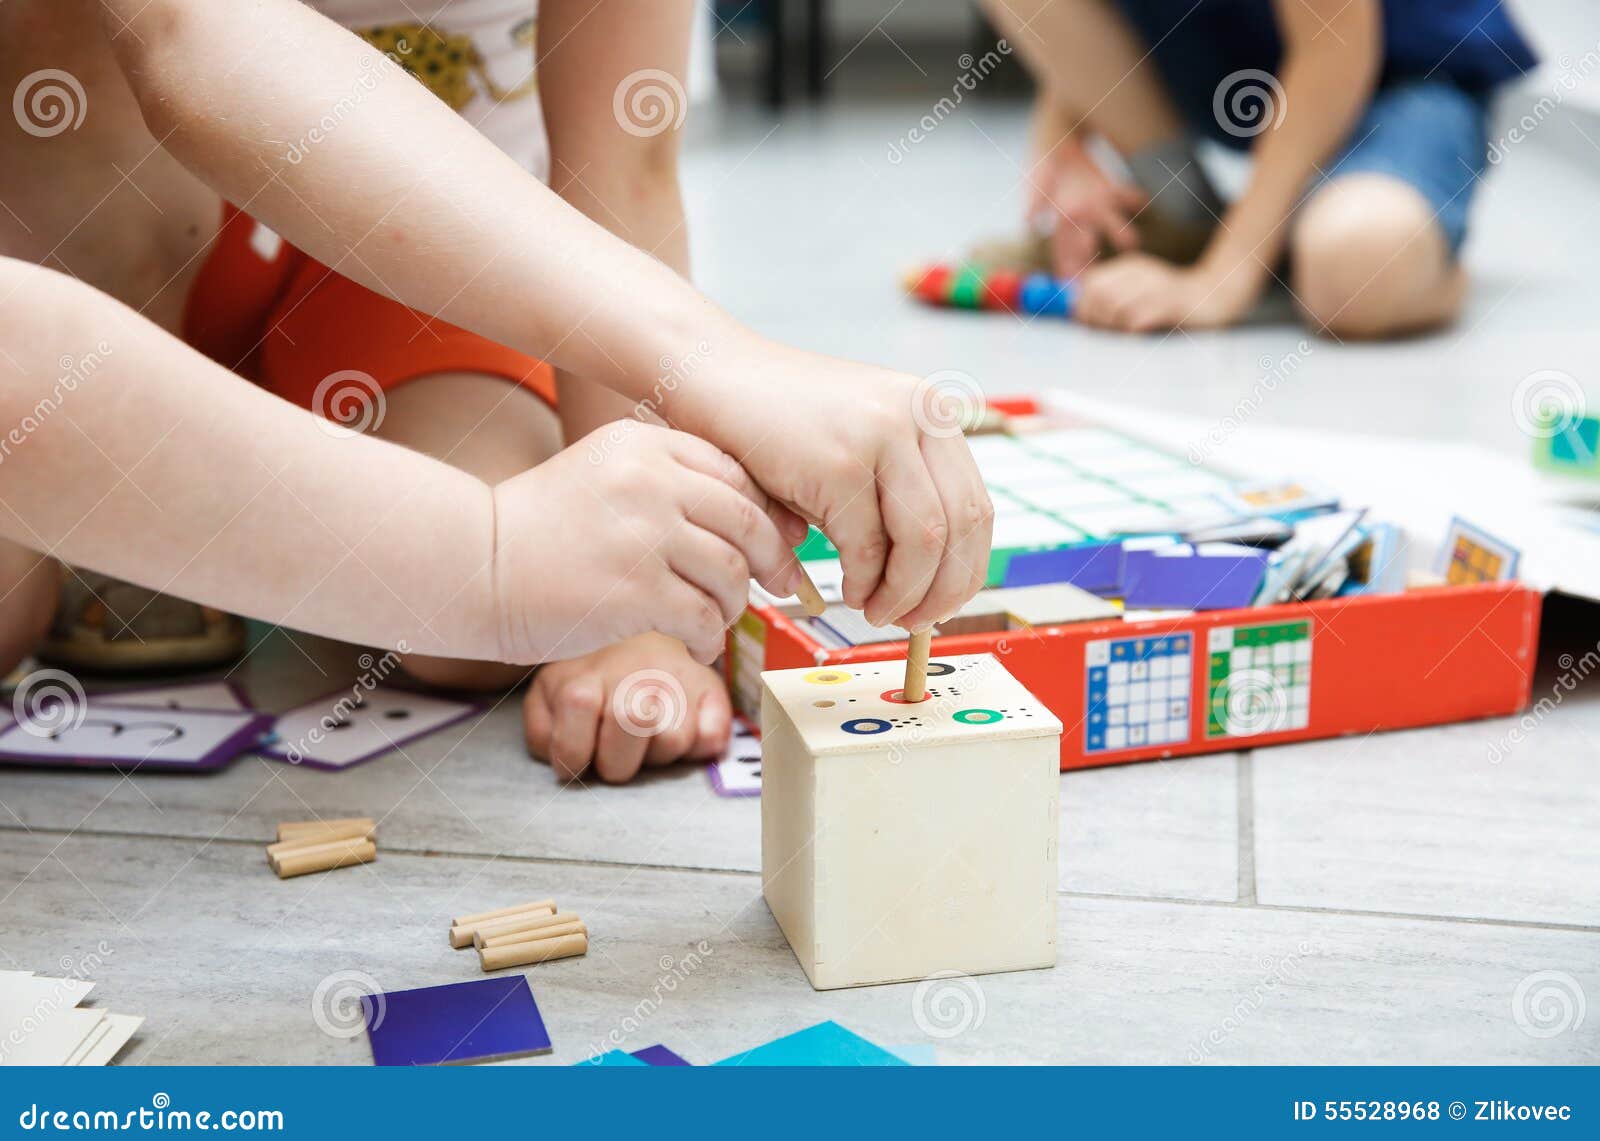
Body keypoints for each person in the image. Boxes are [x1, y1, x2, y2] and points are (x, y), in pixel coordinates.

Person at [0, 0, 993, 780]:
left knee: (484, 625)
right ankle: (130, 486)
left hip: (411, 261)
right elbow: (192, 35)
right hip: (102, 232)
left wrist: (643, 615)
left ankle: (179, 499)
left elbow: (619, 167)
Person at [982, 0, 1537, 336]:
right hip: (1243, 63)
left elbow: (1334, 47)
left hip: (1409, 77)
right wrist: (1061, 139)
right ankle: (1190, 221)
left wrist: (1219, 283)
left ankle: (1411, 263)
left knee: (1357, 271)